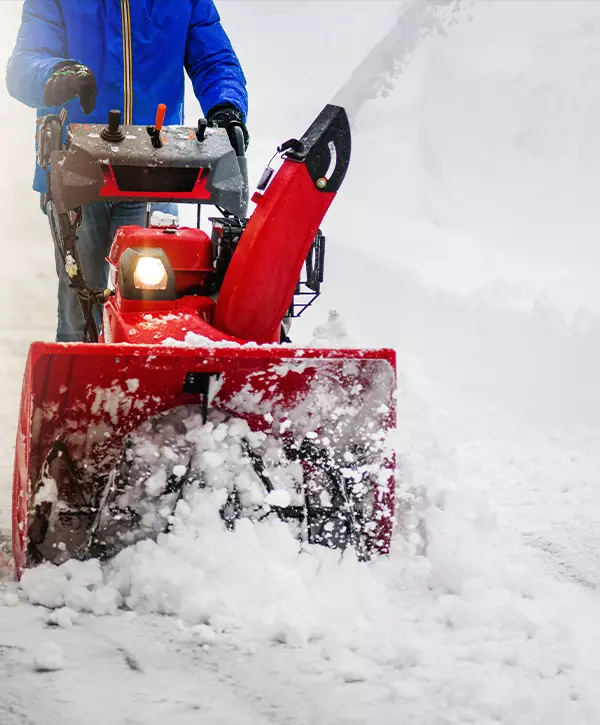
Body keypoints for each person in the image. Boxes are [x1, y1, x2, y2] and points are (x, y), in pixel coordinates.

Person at [6, 0, 248, 342]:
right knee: (80, 313)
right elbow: (24, 65)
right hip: (76, 172)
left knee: (155, 311)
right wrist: (56, 74)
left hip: (158, 172)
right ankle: (78, 391)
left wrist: (227, 106)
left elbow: (215, 61)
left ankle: (145, 390)